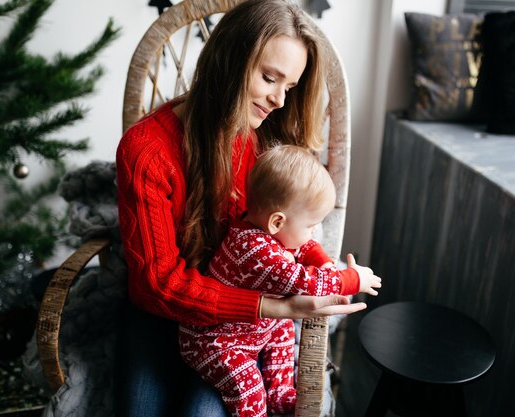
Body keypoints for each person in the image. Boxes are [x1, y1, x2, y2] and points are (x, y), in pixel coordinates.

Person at [115, 1, 375, 416]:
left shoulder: (266, 141)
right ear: (228, 61)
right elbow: (157, 284)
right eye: (269, 78)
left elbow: (289, 229)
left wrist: (322, 267)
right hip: (164, 314)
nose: (277, 99)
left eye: (288, 87)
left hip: (234, 328)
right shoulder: (146, 150)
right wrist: (276, 307)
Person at [179, 145, 381, 417]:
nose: (312, 233)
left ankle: (280, 392)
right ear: (277, 221)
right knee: (248, 386)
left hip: (252, 326)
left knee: (284, 327)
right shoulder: (256, 251)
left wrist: (324, 261)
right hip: (216, 342)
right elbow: (307, 283)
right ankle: (259, 409)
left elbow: (306, 246)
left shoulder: (265, 230)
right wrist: (352, 279)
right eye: (310, 225)